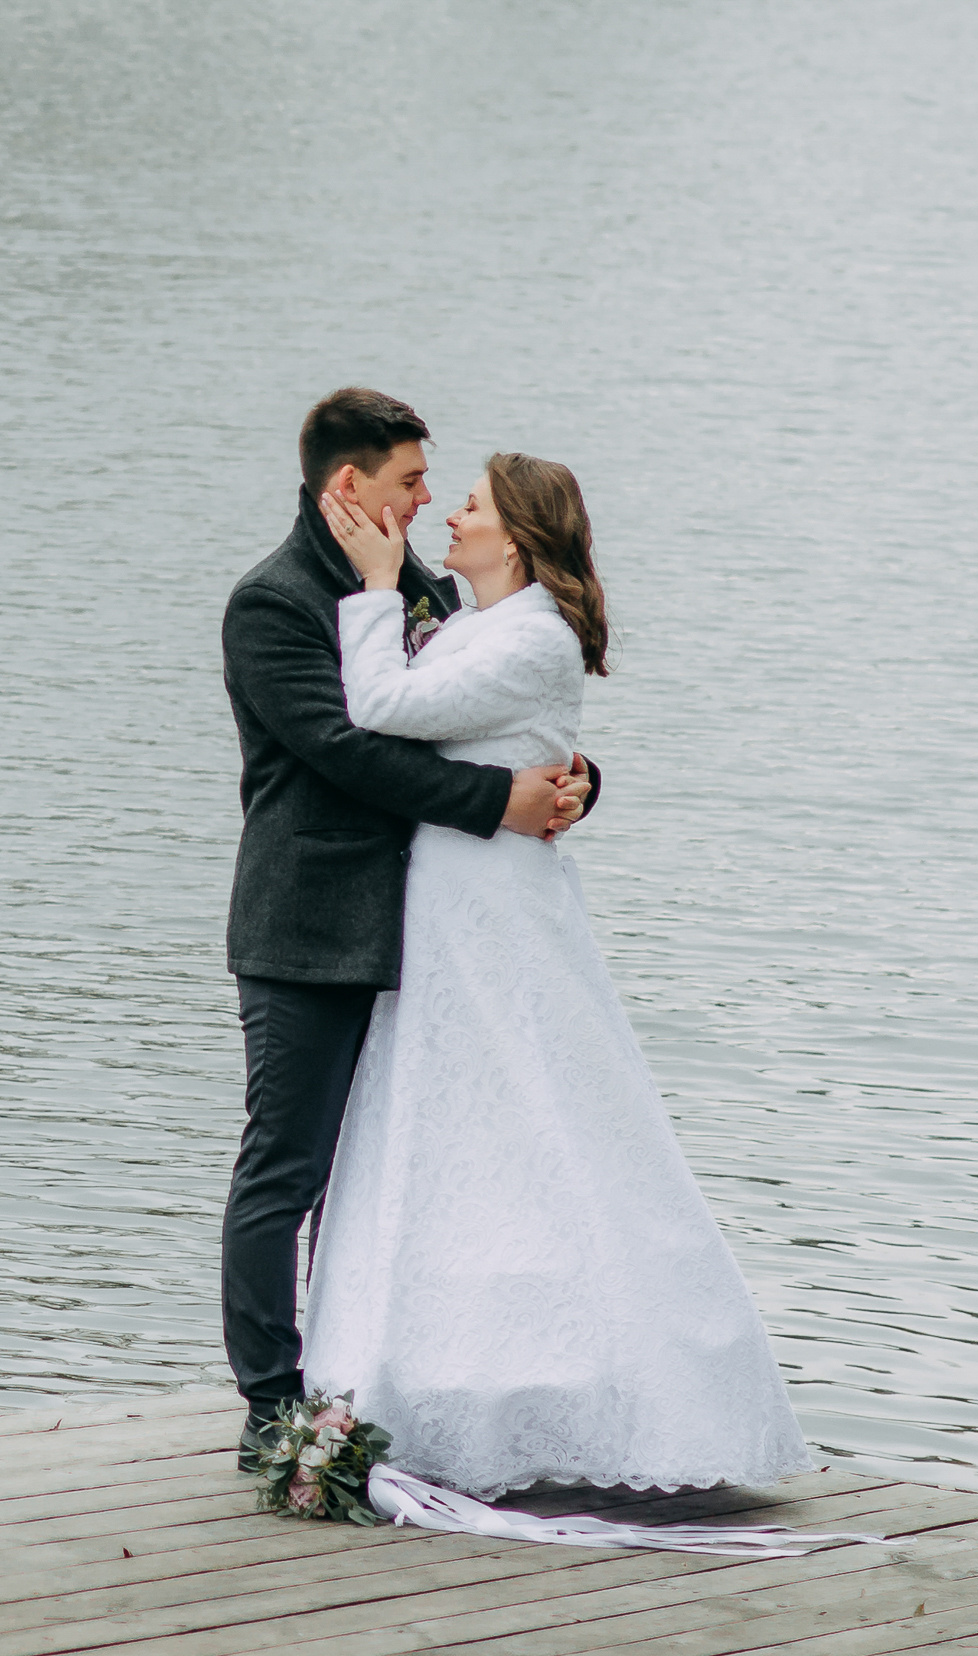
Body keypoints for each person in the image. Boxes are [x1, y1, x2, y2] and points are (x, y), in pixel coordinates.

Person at [298, 452, 811, 1496]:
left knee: (531, 1117)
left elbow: (383, 706)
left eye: (472, 504)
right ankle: (446, 1375)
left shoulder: (531, 635)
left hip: (491, 913)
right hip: (446, 902)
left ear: (518, 538)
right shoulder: (482, 620)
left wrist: (376, 592)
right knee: (452, 1129)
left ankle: (603, 1394)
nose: (448, 512)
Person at [218, 389, 593, 1469]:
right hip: (311, 926)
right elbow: (351, 751)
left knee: (385, 1167)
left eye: (436, 484)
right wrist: (498, 805)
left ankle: (373, 1378)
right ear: (349, 485)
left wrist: (569, 782)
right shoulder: (272, 603)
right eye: (410, 480)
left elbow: (481, 699)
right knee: (285, 1169)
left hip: (430, 933)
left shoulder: (415, 587)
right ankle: (273, 1408)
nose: (428, 500)